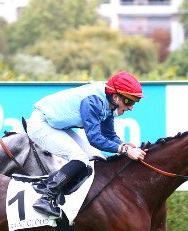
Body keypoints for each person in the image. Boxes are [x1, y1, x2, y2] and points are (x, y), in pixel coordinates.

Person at [26, 71, 148, 217]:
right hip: (41, 124)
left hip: (56, 125)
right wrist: (124, 150)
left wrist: (125, 146)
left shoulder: (109, 102)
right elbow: (95, 138)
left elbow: (109, 135)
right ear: (116, 97)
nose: (131, 108)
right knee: (80, 158)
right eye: (129, 102)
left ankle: (60, 190)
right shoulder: (93, 101)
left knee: (97, 158)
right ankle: (46, 197)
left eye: (134, 103)